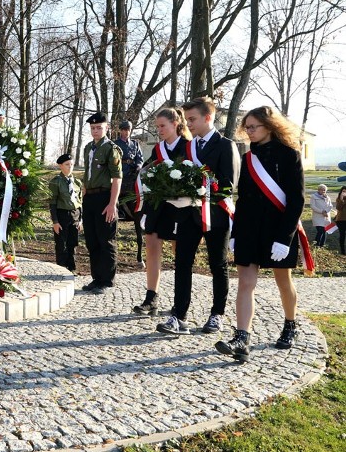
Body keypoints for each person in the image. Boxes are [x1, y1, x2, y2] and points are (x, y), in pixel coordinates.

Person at [216, 106, 306, 362]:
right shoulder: (248, 158)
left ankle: (290, 325)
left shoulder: (290, 155)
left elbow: (296, 200)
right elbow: (243, 197)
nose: (250, 132)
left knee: (282, 281)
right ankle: (241, 339)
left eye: (254, 126)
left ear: (269, 125)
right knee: (245, 283)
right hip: (249, 228)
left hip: (278, 228)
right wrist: (236, 231)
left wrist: (284, 238)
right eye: (247, 127)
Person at [164, 96, 240, 335]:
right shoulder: (189, 146)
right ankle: (179, 315)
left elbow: (229, 184)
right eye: (186, 120)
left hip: (216, 214)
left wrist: (203, 190)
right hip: (188, 213)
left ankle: (217, 314)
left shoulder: (226, 145)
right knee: (182, 262)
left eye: (193, 119)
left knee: (217, 265)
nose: (189, 124)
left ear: (208, 117)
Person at [130, 107, 191, 321]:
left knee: (179, 252)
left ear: (176, 124)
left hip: (179, 205)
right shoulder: (158, 148)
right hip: (158, 205)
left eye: (162, 126)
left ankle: (179, 301)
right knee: (152, 245)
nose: (159, 130)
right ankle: (151, 296)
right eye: (157, 127)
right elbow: (148, 170)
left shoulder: (188, 146)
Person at [80, 111, 122, 294]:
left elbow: (117, 178)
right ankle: (96, 278)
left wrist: (112, 203)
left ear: (107, 128)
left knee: (106, 239)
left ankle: (107, 280)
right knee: (92, 239)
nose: (95, 131)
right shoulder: (88, 148)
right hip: (89, 198)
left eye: (99, 128)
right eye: (93, 128)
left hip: (105, 197)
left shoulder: (111, 149)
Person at [114, 120, 145, 266]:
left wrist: (138, 166)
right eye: (124, 130)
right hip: (120, 175)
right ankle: (118, 210)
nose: (127, 132)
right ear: (120, 130)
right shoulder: (115, 144)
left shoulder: (135, 144)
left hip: (134, 175)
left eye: (129, 130)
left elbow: (140, 158)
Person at [48, 153, 82, 271]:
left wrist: (80, 220)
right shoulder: (56, 182)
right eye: (67, 164)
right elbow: (52, 203)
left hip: (75, 215)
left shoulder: (77, 182)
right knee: (61, 244)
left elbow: (80, 202)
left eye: (72, 164)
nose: (70, 167)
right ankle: (61, 269)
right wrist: (55, 221)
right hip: (62, 214)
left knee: (72, 243)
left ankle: (72, 268)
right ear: (60, 166)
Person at [310, 184, 333, 248]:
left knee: (325, 230)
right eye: (321, 190)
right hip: (318, 217)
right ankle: (317, 244)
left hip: (326, 216)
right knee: (320, 230)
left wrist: (325, 211)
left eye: (324, 190)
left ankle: (322, 244)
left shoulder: (327, 197)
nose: (323, 191)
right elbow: (312, 206)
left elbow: (330, 206)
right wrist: (322, 211)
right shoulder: (313, 196)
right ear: (318, 190)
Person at [336, 186, 346, 255]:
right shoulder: (339, 199)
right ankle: (342, 250)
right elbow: (338, 208)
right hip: (341, 220)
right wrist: (342, 199)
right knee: (342, 235)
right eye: (343, 191)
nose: (344, 193)